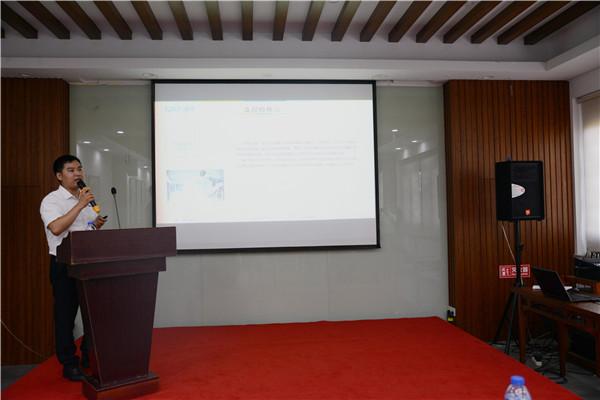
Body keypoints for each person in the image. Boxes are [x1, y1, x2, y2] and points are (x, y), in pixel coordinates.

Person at [40, 155, 107, 381]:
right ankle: (69, 363)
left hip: (88, 263)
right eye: (71, 170)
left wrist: (95, 225)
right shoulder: (51, 201)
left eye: (80, 168)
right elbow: (57, 228)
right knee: (65, 317)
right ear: (59, 176)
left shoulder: (85, 199)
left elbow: (84, 230)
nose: (77, 173)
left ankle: (90, 356)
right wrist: (80, 205)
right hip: (64, 264)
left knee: (93, 314)